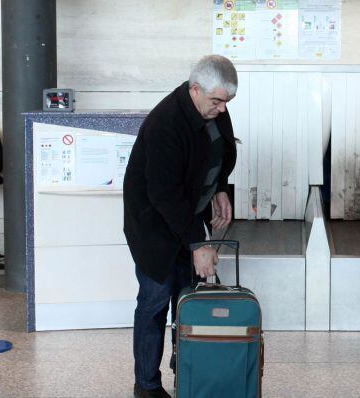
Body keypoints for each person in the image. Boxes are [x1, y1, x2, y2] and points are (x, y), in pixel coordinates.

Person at [123, 54, 238, 398]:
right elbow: (165, 194)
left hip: (186, 217)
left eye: (227, 101)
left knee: (187, 299)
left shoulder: (212, 109)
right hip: (155, 227)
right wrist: (198, 244)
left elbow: (219, 153)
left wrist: (220, 188)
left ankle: (188, 370)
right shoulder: (165, 124)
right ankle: (146, 385)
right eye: (217, 101)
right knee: (155, 301)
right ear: (195, 89)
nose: (223, 109)